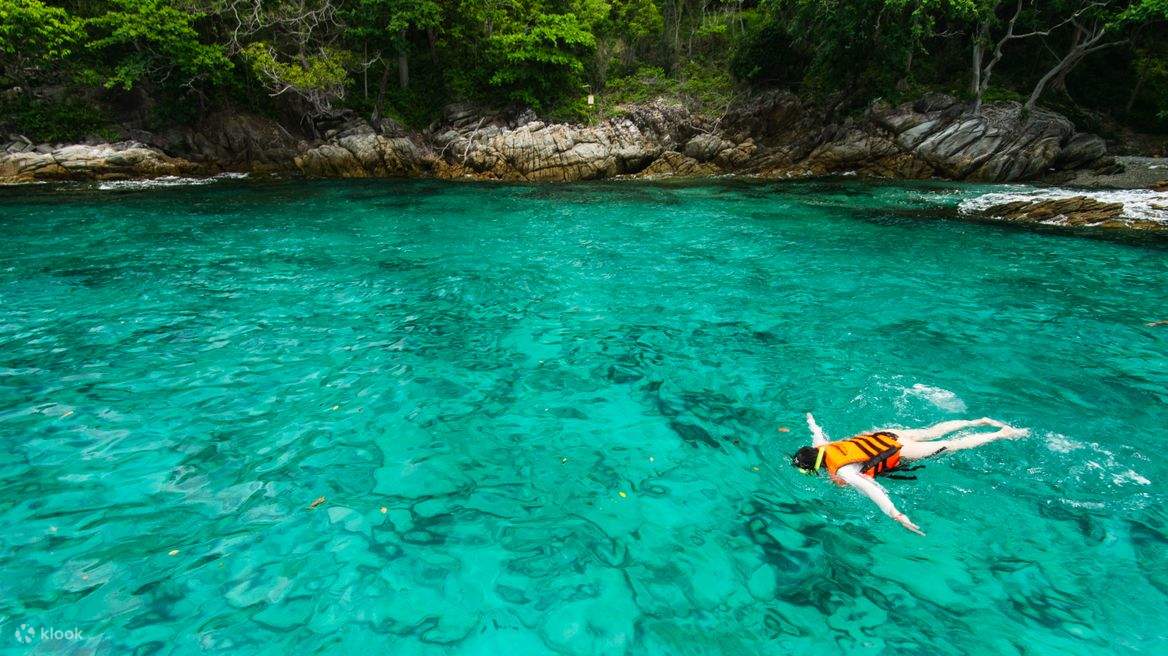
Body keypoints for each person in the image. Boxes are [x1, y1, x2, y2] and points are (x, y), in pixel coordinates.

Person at [791, 413, 1029, 535]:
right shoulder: (822, 448)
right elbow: (817, 433)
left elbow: (873, 490)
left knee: (951, 446)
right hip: (885, 435)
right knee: (932, 431)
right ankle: (978, 421)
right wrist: (810, 419)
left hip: (901, 450)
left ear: (814, 468)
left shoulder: (845, 470)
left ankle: (1002, 434)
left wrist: (896, 514)